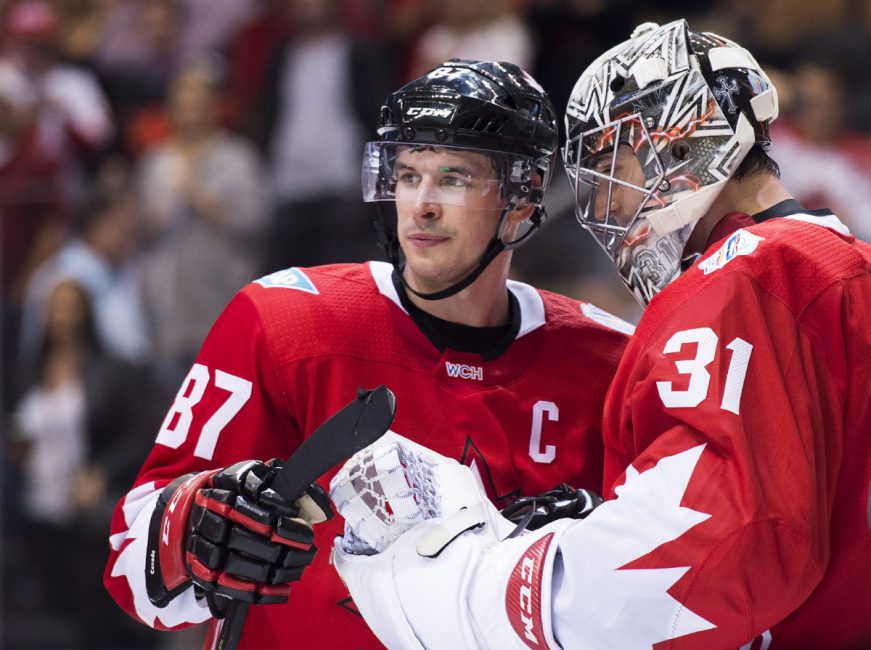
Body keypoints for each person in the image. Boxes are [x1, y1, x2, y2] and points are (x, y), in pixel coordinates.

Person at [328, 20, 871, 649]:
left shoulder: (746, 276)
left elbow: (715, 540)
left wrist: (458, 574)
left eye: (616, 165)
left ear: (685, 141)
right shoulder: (833, 264)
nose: (607, 206)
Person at [103, 59, 631, 649]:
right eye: (408, 176)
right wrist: (199, 526)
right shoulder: (283, 322)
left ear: (525, 195)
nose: (422, 205)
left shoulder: (608, 361)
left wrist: (594, 555)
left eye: (453, 178)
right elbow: (131, 566)